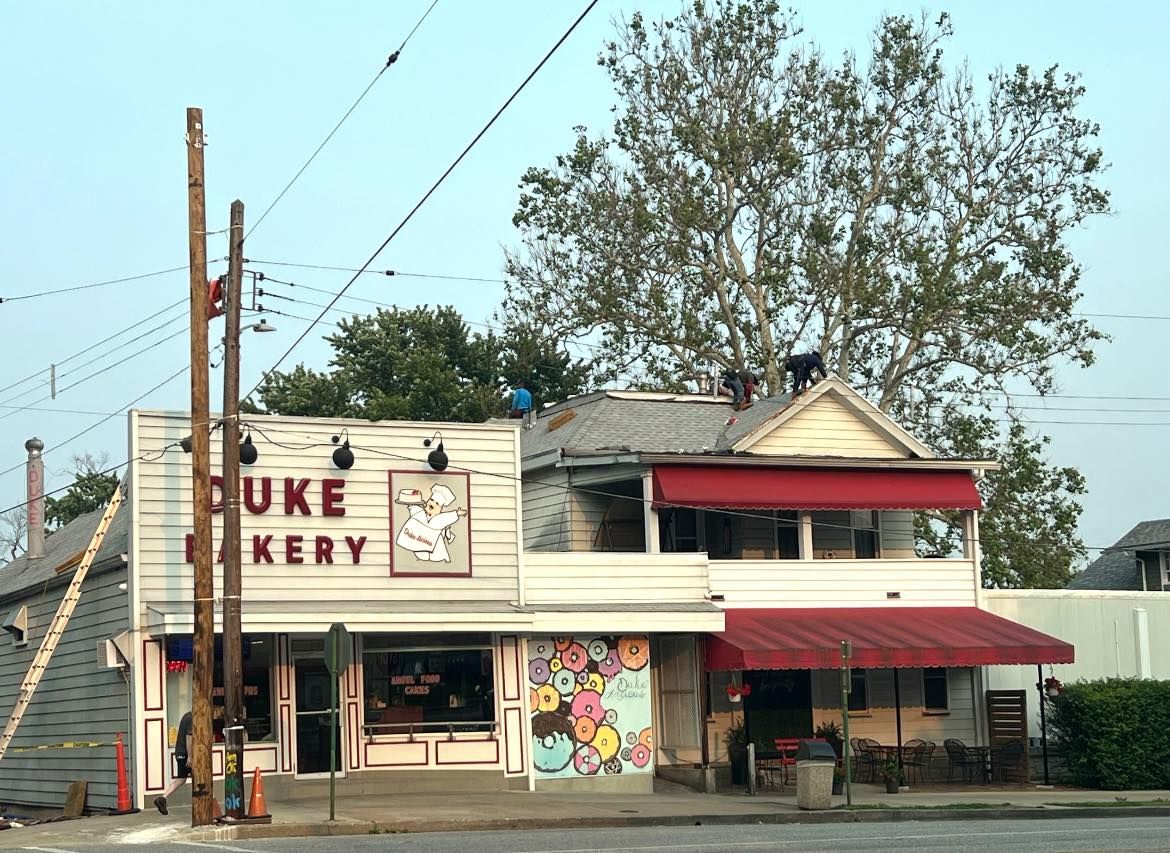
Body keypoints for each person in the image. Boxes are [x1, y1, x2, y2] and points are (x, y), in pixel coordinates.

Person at [154, 709, 192, 815]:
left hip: (180, 752)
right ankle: (208, 801)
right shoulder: (192, 718)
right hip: (185, 753)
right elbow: (189, 738)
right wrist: (190, 756)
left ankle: (163, 798)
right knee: (199, 777)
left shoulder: (186, 716)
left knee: (181, 779)